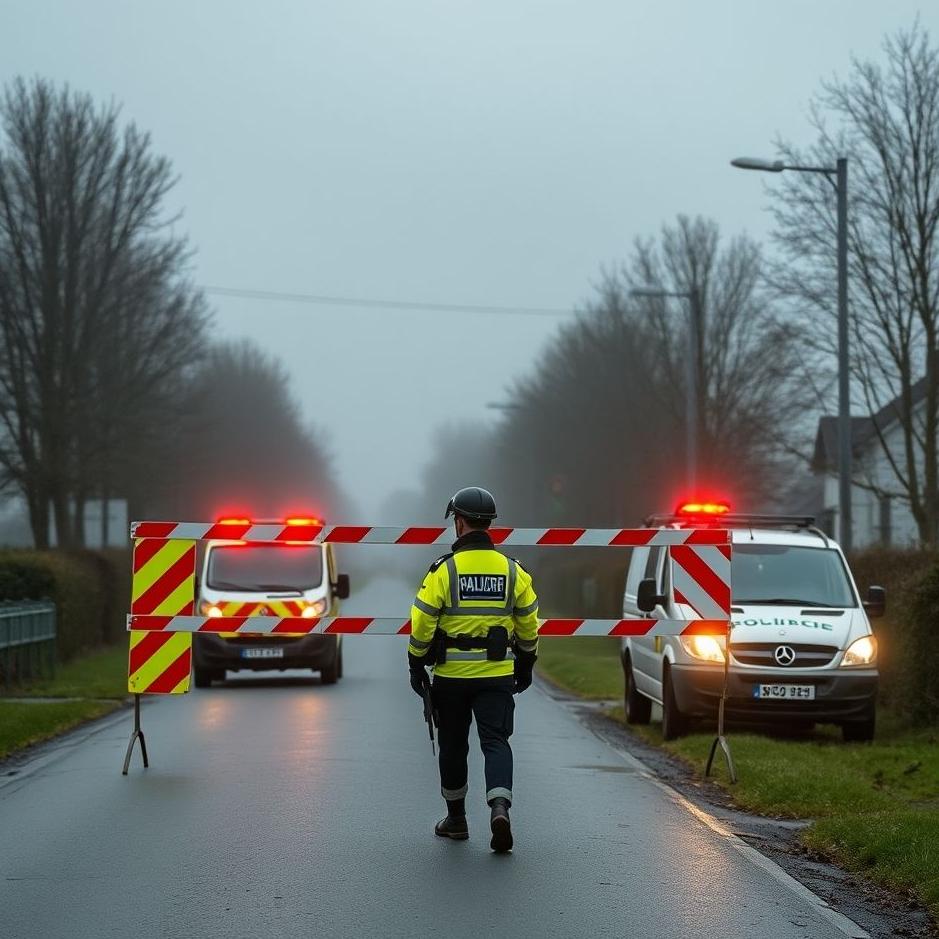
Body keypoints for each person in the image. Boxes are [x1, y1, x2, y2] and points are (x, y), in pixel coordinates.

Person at [407, 486, 539, 853]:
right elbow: (529, 623)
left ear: (459, 523)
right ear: (489, 525)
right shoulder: (513, 572)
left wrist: (416, 662)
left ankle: (457, 820)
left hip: (451, 678)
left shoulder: (443, 571)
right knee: (496, 742)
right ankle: (499, 809)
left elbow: (422, 623)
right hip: (496, 675)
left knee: (453, 745)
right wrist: (526, 663)